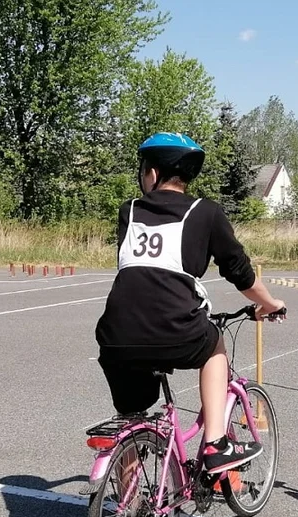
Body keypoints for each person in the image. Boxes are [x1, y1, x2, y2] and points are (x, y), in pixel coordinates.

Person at [94, 132, 286, 483]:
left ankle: (130, 507)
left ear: (151, 173)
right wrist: (270, 303)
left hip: (116, 335)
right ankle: (216, 443)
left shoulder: (129, 211)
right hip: (176, 328)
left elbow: (140, 270)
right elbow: (240, 273)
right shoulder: (207, 212)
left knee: (132, 418)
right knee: (214, 345)